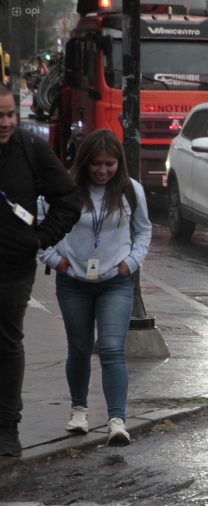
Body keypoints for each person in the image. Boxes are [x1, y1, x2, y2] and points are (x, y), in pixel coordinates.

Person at [39, 129, 152, 446]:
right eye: (96, 164)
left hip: (115, 281)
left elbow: (144, 232)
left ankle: (117, 421)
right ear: (85, 162)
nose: (103, 171)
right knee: (78, 347)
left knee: (113, 348)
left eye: (110, 164)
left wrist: (130, 263)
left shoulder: (131, 192)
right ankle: (79, 411)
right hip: (73, 282)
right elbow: (39, 226)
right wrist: (52, 258)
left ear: (119, 164)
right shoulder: (65, 190)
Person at [0, 84, 80, 458]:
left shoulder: (30, 148)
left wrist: (40, 239)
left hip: (13, 267)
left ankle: (7, 427)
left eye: (10, 114)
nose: (6, 122)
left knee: (7, 342)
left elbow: (68, 198)